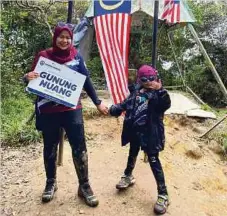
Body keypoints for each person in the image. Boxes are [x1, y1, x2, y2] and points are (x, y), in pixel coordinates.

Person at [24, 23, 108, 207]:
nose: (64, 40)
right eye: (61, 37)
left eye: (68, 37)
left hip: (71, 110)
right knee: (50, 148)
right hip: (48, 111)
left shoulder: (76, 58)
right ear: (55, 38)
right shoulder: (43, 56)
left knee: (80, 148)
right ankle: (50, 183)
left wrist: (98, 102)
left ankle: (84, 186)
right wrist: (27, 76)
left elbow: (86, 81)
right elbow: (31, 77)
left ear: (71, 39)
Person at [109, 65, 171, 215]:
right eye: (145, 79)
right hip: (135, 130)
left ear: (156, 78)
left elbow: (166, 104)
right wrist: (113, 109)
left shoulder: (158, 94)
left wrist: (161, 90)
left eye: (152, 78)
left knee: (154, 160)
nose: (149, 82)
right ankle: (128, 176)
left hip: (151, 133)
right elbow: (125, 104)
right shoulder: (136, 91)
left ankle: (163, 194)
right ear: (139, 79)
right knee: (132, 153)